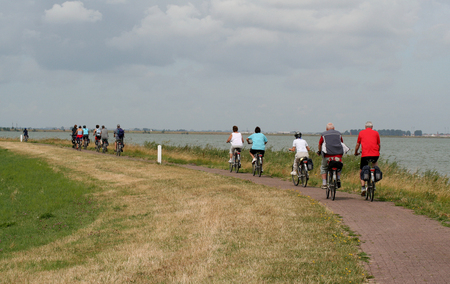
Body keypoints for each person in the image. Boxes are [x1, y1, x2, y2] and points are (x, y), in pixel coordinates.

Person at [354, 121, 381, 196]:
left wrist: (356, 152)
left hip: (365, 155)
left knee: (362, 170)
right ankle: (373, 183)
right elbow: (379, 145)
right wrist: (378, 152)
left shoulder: (361, 133)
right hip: (375, 155)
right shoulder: (376, 133)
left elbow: (357, 145)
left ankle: (363, 187)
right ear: (372, 127)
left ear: (365, 127)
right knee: (375, 166)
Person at [318, 123, 345, 189]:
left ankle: (324, 183)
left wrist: (319, 151)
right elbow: (341, 142)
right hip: (338, 155)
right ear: (334, 128)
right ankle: (338, 178)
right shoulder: (339, 134)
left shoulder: (324, 134)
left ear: (326, 129)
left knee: (324, 168)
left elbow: (320, 144)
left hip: (327, 155)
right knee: (339, 166)